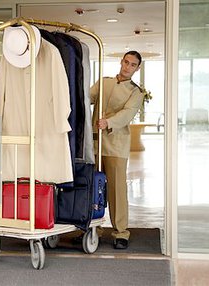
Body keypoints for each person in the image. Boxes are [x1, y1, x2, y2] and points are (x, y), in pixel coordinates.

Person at [90, 51, 143, 249]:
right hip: (96, 144)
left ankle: (121, 232)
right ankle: (93, 227)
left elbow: (127, 114)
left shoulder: (136, 92)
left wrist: (108, 122)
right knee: (93, 186)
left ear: (138, 68)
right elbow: (88, 96)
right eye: (126, 62)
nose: (127, 67)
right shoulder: (104, 82)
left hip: (116, 145)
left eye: (132, 65)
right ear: (121, 62)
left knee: (117, 190)